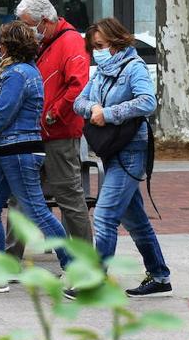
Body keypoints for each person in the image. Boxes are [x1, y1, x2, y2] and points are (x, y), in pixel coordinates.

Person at [0, 20, 70, 293]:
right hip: (6, 152)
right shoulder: (26, 71)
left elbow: (3, 113)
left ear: (9, 45)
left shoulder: (17, 75)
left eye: (0, 42)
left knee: (38, 212)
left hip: (17, 153)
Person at [73, 17, 171, 298]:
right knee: (136, 221)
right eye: (94, 47)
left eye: (101, 45)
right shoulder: (101, 72)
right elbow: (78, 101)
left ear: (116, 42)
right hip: (112, 150)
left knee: (104, 217)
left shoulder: (133, 68)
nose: (97, 52)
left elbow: (147, 101)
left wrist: (110, 113)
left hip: (130, 150)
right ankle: (160, 276)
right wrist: (93, 106)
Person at [6, 0, 93, 257]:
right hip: (35, 133)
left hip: (58, 134)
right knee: (20, 198)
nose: (26, 31)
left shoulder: (70, 42)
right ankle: (10, 259)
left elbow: (78, 84)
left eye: (28, 25)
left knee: (68, 198)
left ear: (44, 21)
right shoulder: (47, 42)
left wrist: (53, 113)